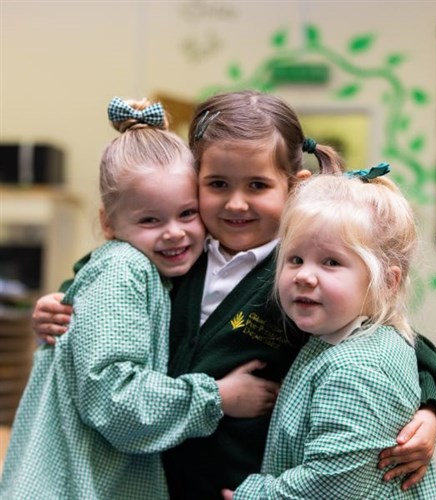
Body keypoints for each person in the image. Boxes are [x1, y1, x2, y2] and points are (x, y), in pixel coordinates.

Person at [31, 91, 436, 499]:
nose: (236, 204)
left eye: (256, 185)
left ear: (294, 187)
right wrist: (62, 302)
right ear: (194, 181)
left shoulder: (298, 274)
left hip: (245, 482)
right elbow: (109, 277)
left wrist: (432, 411)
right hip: (160, 477)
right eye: (217, 184)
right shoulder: (178, 251)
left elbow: (391, 338)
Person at [0, 97, 279, 500]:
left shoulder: (159, 269)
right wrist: (217, 396)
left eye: (187, 213)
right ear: (108, 223)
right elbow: (115, 400)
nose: (174, 233)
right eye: (150, 220)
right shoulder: (124, 269)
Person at [223, 166, 436, 499]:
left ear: (387, 281)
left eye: (330, 262)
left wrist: (254, 495)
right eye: (295, 259)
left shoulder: (357, 369)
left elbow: (331, 484)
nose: (304, 276)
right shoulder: (344, 336)